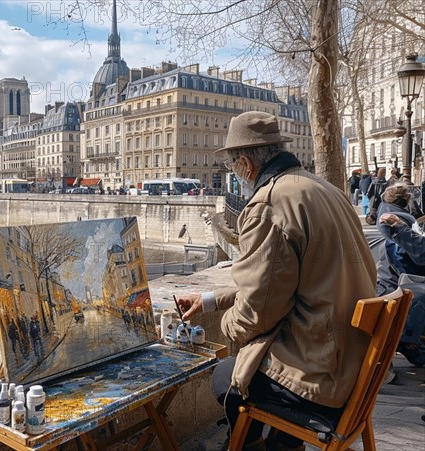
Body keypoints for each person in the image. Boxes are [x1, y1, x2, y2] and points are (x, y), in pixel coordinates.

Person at [176, 112, 376, 451]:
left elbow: (257, 312)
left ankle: (249, 443)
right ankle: (282, 443)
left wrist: (225, 326)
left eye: (233, 168)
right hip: (356, 367)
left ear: (245, 164)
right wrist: (211, 300)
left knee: (225, 376)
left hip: (321, 376)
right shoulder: (326, 190)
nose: (236, 176)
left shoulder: (269, 204)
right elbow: (280, 284)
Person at [376, 184, 425, 367]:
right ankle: (409, 341)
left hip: (387, 284)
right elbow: (412, 257)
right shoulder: (400, 221)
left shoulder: (387, 216)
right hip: (397, 288)